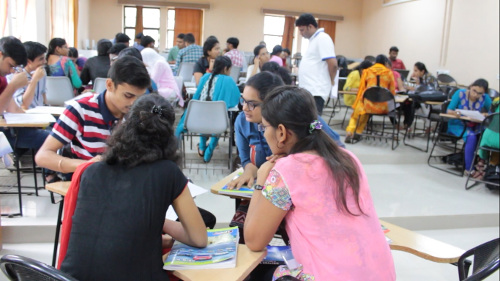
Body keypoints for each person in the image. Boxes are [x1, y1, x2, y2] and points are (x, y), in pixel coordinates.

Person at [244, 85, 395, 281]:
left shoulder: (287, 170)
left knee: (254, 272)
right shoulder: (348, 158)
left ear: (281, 132)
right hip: (381, 273)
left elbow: (254, 240)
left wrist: (261, 180)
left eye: (264, 127)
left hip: (329, 276)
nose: (263, 134)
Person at [59, 94, 208, 280]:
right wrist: (155, 221)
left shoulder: (92, 171)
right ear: (168, 133)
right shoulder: (168, 173)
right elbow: (199, 238)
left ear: (126, 123)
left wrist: (147, 223)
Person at [35, 56, 151, 179]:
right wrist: (87, 165)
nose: (134, 103)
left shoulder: (139, 112)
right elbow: (43, 156)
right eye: (128, 96)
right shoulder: (80, 109)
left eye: (139, 97)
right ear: (110, 85)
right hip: (90, 183)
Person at [175, 56, 240, 163]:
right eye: (230, 69)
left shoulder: (205, 77)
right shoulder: (228, 80)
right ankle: (209, 151)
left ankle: (201, 147)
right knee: (219, 117)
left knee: (205, 115)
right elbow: (235, 99)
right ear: (225, 68)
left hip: (196, 122)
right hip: (218, 125)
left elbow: (196, 96)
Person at [0, 36, 49, 152]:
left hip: (9, 130)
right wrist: (13, 86)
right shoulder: (8, 80)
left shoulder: (2, 79)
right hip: (6, 133)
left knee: (56, 136)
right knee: (50, 138)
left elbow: (14, 109)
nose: (12, 71)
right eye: (11, 65)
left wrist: (36, 121)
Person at [345, 54, 396, 143]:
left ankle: (351, 131)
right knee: (365, 113)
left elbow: (362, 89)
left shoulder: (367, 72)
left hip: (368, 104)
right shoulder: (389, 73)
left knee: (357, 114)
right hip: (383, 107)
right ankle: (358, 133)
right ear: (385, 62)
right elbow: (392, 92)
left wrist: (357, 103)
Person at [295, 13, 338, 115]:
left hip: (316, 91)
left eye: (302, 30)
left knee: (315, 122)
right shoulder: (314, 40)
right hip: (310, 91)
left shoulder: (323, 38)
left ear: (310, 26)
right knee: (309, 121)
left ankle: (317, 131)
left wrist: (332, 80)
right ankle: (314, 131)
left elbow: (333, 63)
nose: (301, 33)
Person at [446, 78, 492, 175]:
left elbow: (492, 112)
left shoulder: (485, 97)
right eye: (474, 90)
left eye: (480, 93)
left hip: (475, 124)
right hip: (457, 124)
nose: (476, 94)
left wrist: (485, 114)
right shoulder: (460, 93)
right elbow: (449, 110)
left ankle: (481, 164)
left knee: (486, 134)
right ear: (471, 87)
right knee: (471, 137)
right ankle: (469, 169)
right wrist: (456, 113)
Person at [8, 41, 48, 109]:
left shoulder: (41, 72)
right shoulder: (16, 76)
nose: (45, 61)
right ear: (28, 61)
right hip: (24, 114)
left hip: (41, 113)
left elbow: (43, 94)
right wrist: (34, 80)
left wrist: (47, 107)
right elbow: (23, 104)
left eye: (44, 58)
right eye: (41, 59)